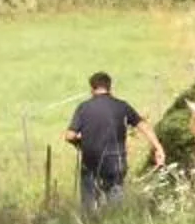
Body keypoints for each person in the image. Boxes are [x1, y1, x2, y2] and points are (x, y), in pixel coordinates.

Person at [65, 71, 165, 214]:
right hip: (116, 161)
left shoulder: (84, 107)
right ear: (110, 87)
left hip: (91, 161)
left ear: (92, 89)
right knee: (115, 205)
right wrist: (158, 147)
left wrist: (80, 143)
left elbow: (69, 136)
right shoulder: (122, 106)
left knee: (89, 206)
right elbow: (143, 126)